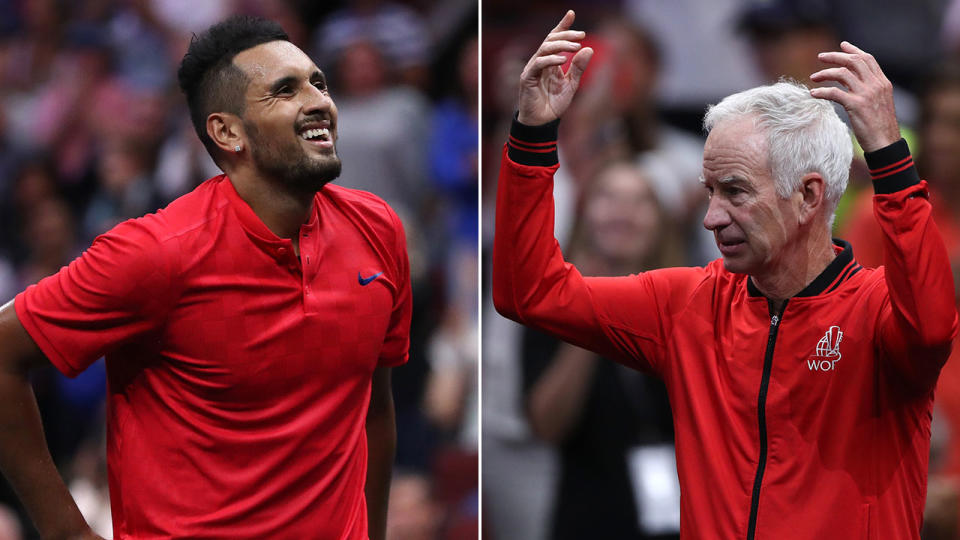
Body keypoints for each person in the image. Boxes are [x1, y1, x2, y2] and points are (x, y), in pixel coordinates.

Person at [493, 10, 958, 539]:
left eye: (735, 191)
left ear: (808, 196)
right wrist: (533, 133)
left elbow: (931, 327)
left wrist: (892, 162)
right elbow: (527, 293)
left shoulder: (877, 312)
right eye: (710, 190)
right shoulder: (688, 304)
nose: (712, 216)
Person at [0, 15, 410, 539]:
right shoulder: (155, 253)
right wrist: (66, 531)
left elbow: (373, 408)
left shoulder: (378, 229)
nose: (319, 102)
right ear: (227, 132)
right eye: (285, 90)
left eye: (319, 83)